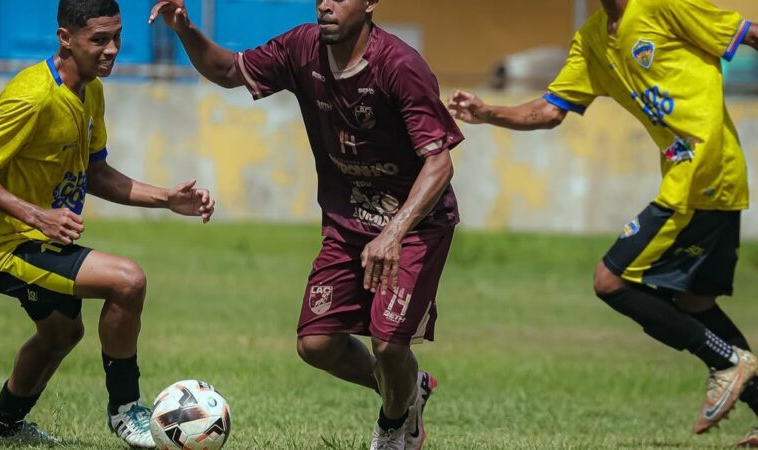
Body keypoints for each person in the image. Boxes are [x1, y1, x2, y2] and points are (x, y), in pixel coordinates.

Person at [150, 0, 462, 448]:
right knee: (316, 345)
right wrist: (184, 28)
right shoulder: (301, 48)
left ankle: (394, 428)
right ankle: (407, 390)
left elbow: (439, 163)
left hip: (414, 226)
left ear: (370, 3)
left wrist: (393, 234)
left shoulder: (400, 66)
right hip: (347, 223)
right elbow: (227, 71)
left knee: (390, 345)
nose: (325, 4)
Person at [449, 0, 758, 446]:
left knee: (610, 281)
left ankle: (725, 361)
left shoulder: (664, 6)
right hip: (708, 180)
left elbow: (747, 33)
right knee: (694, 303)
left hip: (701, 174)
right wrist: (488, 112)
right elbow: (551, 109)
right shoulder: (593, 39)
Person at [0, 0, 215, 447]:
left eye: (116, 37)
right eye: (99, 39)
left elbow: (95, 173)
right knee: (127, 280)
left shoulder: (91, 89)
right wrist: (37, 214)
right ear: (65, 39)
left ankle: (1, 428)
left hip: (35, 236)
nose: (112, 48)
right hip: (1, 243)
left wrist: (167, 199)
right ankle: (125, 412)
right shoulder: (33, 96)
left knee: (62, 333)